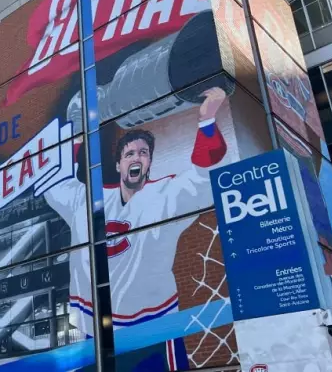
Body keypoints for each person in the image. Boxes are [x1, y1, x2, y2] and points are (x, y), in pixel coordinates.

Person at [44, 87, 229, 371]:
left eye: (143, 153)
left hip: (152, 329)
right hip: (96, 333)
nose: (136, 157)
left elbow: (204, 177)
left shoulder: (166, 195)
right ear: (119, 164)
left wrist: (206, 121)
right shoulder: (86, 199)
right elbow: (54, 183)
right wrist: (78, 137)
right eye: (130, 153)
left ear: (149, 163)